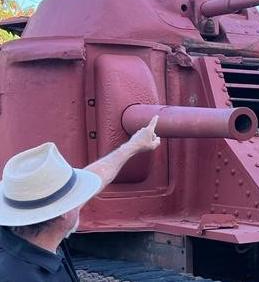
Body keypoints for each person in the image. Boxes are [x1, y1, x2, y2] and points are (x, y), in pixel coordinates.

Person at [0, 116, 160, 282]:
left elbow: (96, 176)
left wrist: (132, 146)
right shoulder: (25, 276)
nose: (80, 201)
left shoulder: (19, 236)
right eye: (76, 198)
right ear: (63, 212)